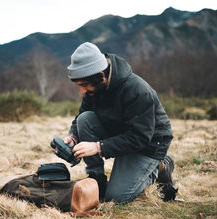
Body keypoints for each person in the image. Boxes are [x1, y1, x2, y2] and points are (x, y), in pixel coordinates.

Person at [63, 42, 174, 203]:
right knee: (84, 119)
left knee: (116, 198)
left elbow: (140, 137)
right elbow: (82, 115)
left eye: (84, 85)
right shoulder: (94, 89)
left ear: (101, 76)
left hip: (149, 144)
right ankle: (97, 179)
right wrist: (72, 137)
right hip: (122, 133)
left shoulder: (137, 91)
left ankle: (160, 167)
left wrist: (98, 147)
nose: (82, 91)